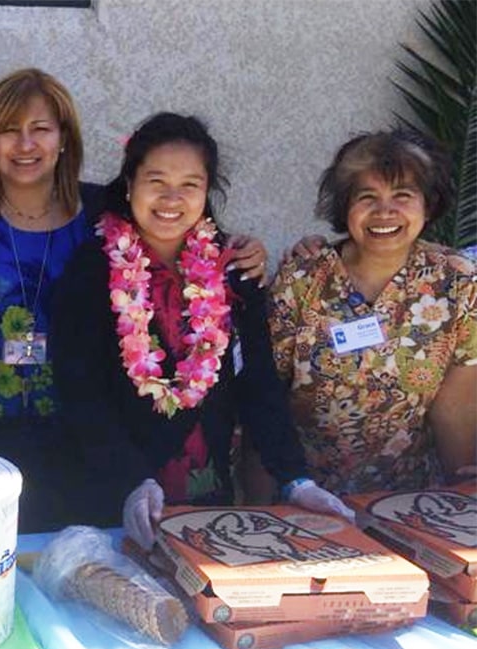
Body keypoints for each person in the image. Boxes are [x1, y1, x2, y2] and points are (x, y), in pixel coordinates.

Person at [0, 68, 270, 532]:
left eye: (40, 129)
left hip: (91, 435)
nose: (25, 144)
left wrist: (243, 248)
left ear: (63, 139)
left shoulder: (102, 212)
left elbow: (182, 234)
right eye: (8, 130)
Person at [51, 112, 352, 550]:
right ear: (130, 183)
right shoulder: (90, 269)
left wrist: (294, 478)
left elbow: (259, 385)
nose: (172, 198)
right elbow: (80, 393)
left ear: (207, 191)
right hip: (112, 498)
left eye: (189, 184)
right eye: (157, 180)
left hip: (207, 499)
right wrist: (131, 480)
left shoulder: (233, 271)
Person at [267, 129, 476, 495]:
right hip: (307, 496)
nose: (385, 211)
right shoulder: (301, 279)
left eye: (402, 195)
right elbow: (266, 400)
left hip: (410, 500)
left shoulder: (458, 284)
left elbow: (455, 410)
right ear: (345, 206)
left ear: (428, 204)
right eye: (367, 197)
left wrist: (462, 502)